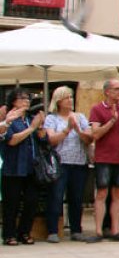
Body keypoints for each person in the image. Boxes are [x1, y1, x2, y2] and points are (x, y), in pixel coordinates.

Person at [88, 79, 119, 242]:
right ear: (107, 91)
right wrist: (113, 121)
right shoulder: (97, 109)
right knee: (102, 192)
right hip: (104, 157)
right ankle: (99, 231)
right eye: (117, 89)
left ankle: (115, 230)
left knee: (118, 192)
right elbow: (96, 134)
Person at [43, 87, 92, 243]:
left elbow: (89, 138)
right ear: (58, 101)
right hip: (60, 163)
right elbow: (51, 140)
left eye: (71, 97)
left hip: (78, 163)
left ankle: (76, 229)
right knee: (56, 197)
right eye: (66, 98)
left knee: (76, 198)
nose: (70, 100)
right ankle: (52, 230)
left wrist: (77, 129)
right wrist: (67, 129)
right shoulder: (52, 119)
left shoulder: (80, 117)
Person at [2, 89, 45, 245]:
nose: (27, 101)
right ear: (14, 101)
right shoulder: (10, 119)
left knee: (31, 202)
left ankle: (24, 232)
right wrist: (32, 129)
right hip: (13, 167)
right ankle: (9, 235)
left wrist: (40, 127)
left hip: (31, 167)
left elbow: (43, 140)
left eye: (28, 98)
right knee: (11, 203)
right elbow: (12, 140)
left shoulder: (29, 118)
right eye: (23, 98)